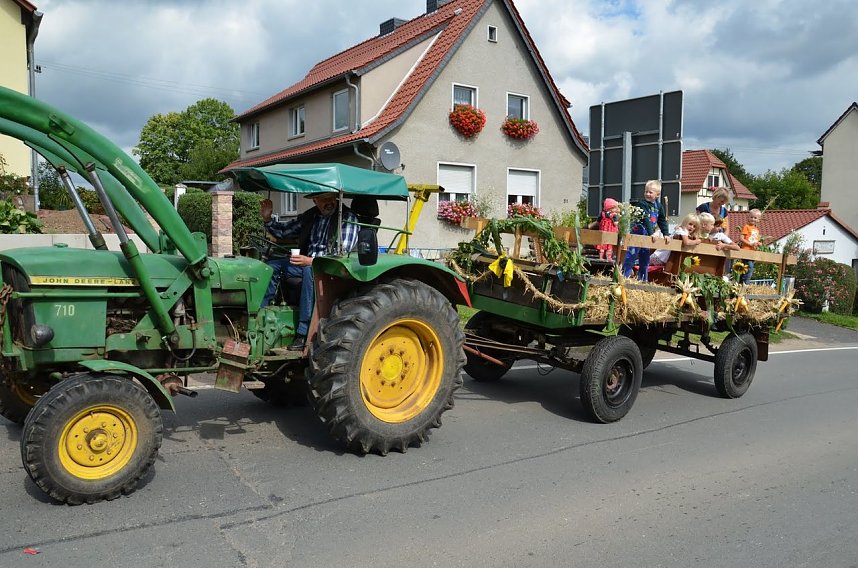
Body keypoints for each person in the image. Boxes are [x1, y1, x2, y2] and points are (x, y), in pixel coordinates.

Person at [260, 192, 358, 350]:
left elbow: (341, 254)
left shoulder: (347, 218)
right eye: (323, 199)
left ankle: (303, 332)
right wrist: (267, 219)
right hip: (308, 262)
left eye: (331, 198)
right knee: (272, 266)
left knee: (308, 271)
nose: (328, 202)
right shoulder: (310, 216)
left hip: (334, 269)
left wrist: (311, 261)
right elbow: (285, 231)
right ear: (315, 200)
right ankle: (261, 313)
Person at [622, 180, 670, 281]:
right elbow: (646, 219)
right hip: (638, 234)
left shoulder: (659, 206)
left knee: (645, 259)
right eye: (646, 191)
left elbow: (661, 220)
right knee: (631, 256)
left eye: (650, 192)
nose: (647, 194)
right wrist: (652, 233)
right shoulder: (642, 204)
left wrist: (666, 234)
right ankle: (624, 278)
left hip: (647, 236)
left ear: (657, 194)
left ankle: (643, 280)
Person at [737, 208, 763, 284]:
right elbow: (741, 238)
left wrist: (758, 243)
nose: (753, 219)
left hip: (753, 252)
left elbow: (755, 240)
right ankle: (746, 284)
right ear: (748, 217)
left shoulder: (756, 230)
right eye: (751, 217)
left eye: (755, 218)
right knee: (749, 268)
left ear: (758, 220)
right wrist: (750, 244)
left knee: (745, 269)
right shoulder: (746, 226)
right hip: (746, 250)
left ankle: (740, 285)